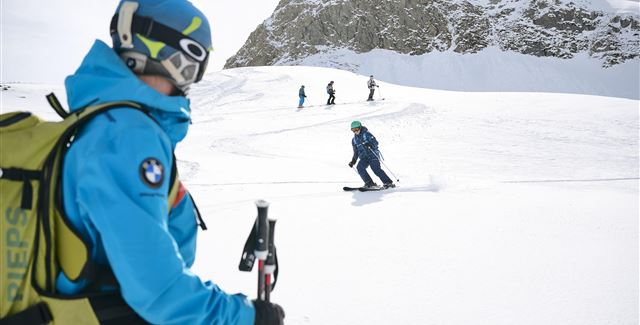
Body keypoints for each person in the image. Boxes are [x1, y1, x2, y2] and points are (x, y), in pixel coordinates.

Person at [59, 0, 285, 324]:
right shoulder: (127, 135)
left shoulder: (109, 125)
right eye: (186, 67)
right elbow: (160, 292)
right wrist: (248, 317)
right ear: (150, 52)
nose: (186, 87)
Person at [348, 121, 395, 189]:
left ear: (360, 127)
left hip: (372, 155)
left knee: (376, 169)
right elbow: (356, 152)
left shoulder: (367, 134)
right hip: (364, 157)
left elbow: (376, 143)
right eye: (353, 130)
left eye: (356, 129)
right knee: (360, 168)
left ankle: (388, 182)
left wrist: (370, 144)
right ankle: (369, 183)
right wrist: (353, 161)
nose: (355, 131)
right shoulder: (354, 140)